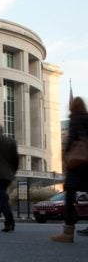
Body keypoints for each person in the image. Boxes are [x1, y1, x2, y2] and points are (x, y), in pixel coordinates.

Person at [51, 97, 88, 243]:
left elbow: (71, 141)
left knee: (69, 196)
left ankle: (68, 232)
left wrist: (65, 159)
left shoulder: (75, 119)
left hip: (77, 165)